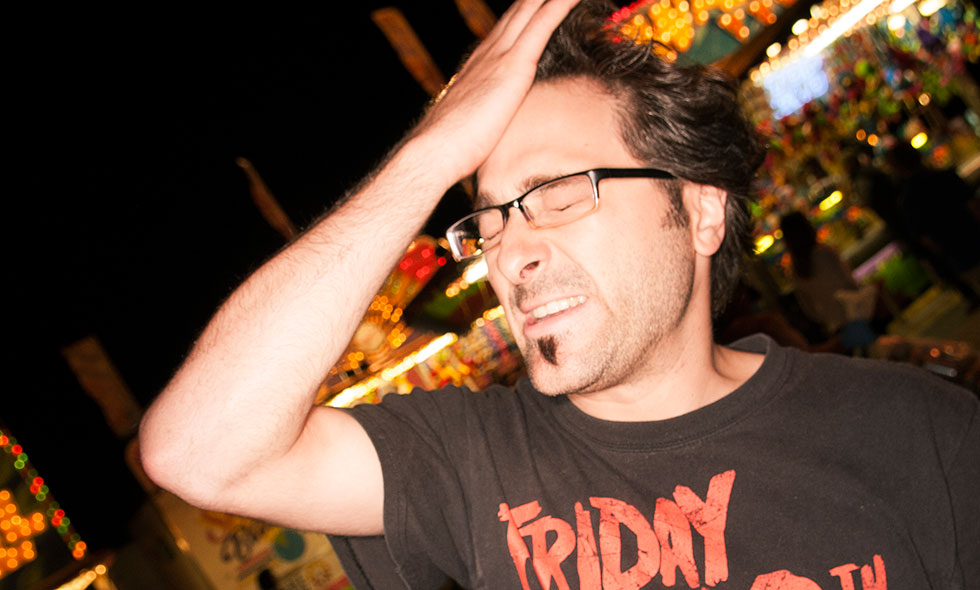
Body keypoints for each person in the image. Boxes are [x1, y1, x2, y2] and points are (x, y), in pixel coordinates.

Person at [139, 1, 980, 588]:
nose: (511, 252)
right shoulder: (472, 463)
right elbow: (197, 452)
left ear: (699, 212)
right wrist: (432, 153)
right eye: (490, 219)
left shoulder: (917, 431)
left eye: (560, 193)